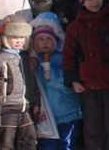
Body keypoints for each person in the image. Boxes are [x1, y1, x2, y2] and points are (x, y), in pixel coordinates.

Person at [64, 0, 109, 150]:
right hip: (88, 85)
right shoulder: (75, 27)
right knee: (92, 129)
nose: (94, 2)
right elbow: (69, 56)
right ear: (82, 1)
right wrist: (73, 80)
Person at [0, 15, 41, 150]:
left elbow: (32, 82)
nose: (18, 41)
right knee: (4, 142)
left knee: (29, 140)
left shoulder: (24, 58)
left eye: (22, 37)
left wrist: (36, 102)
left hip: (25, 107)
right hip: (6, 108)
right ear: (3, 38)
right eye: (14, 37)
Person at [30, 12, 83, 150]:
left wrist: (52, 76)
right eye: (41, 40)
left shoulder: (63, 59)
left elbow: (69, 83)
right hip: (46, 115)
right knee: (46, 145)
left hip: (66, 112)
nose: (45, 43)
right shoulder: (34, 62)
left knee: (66, 143)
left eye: (48, 39)